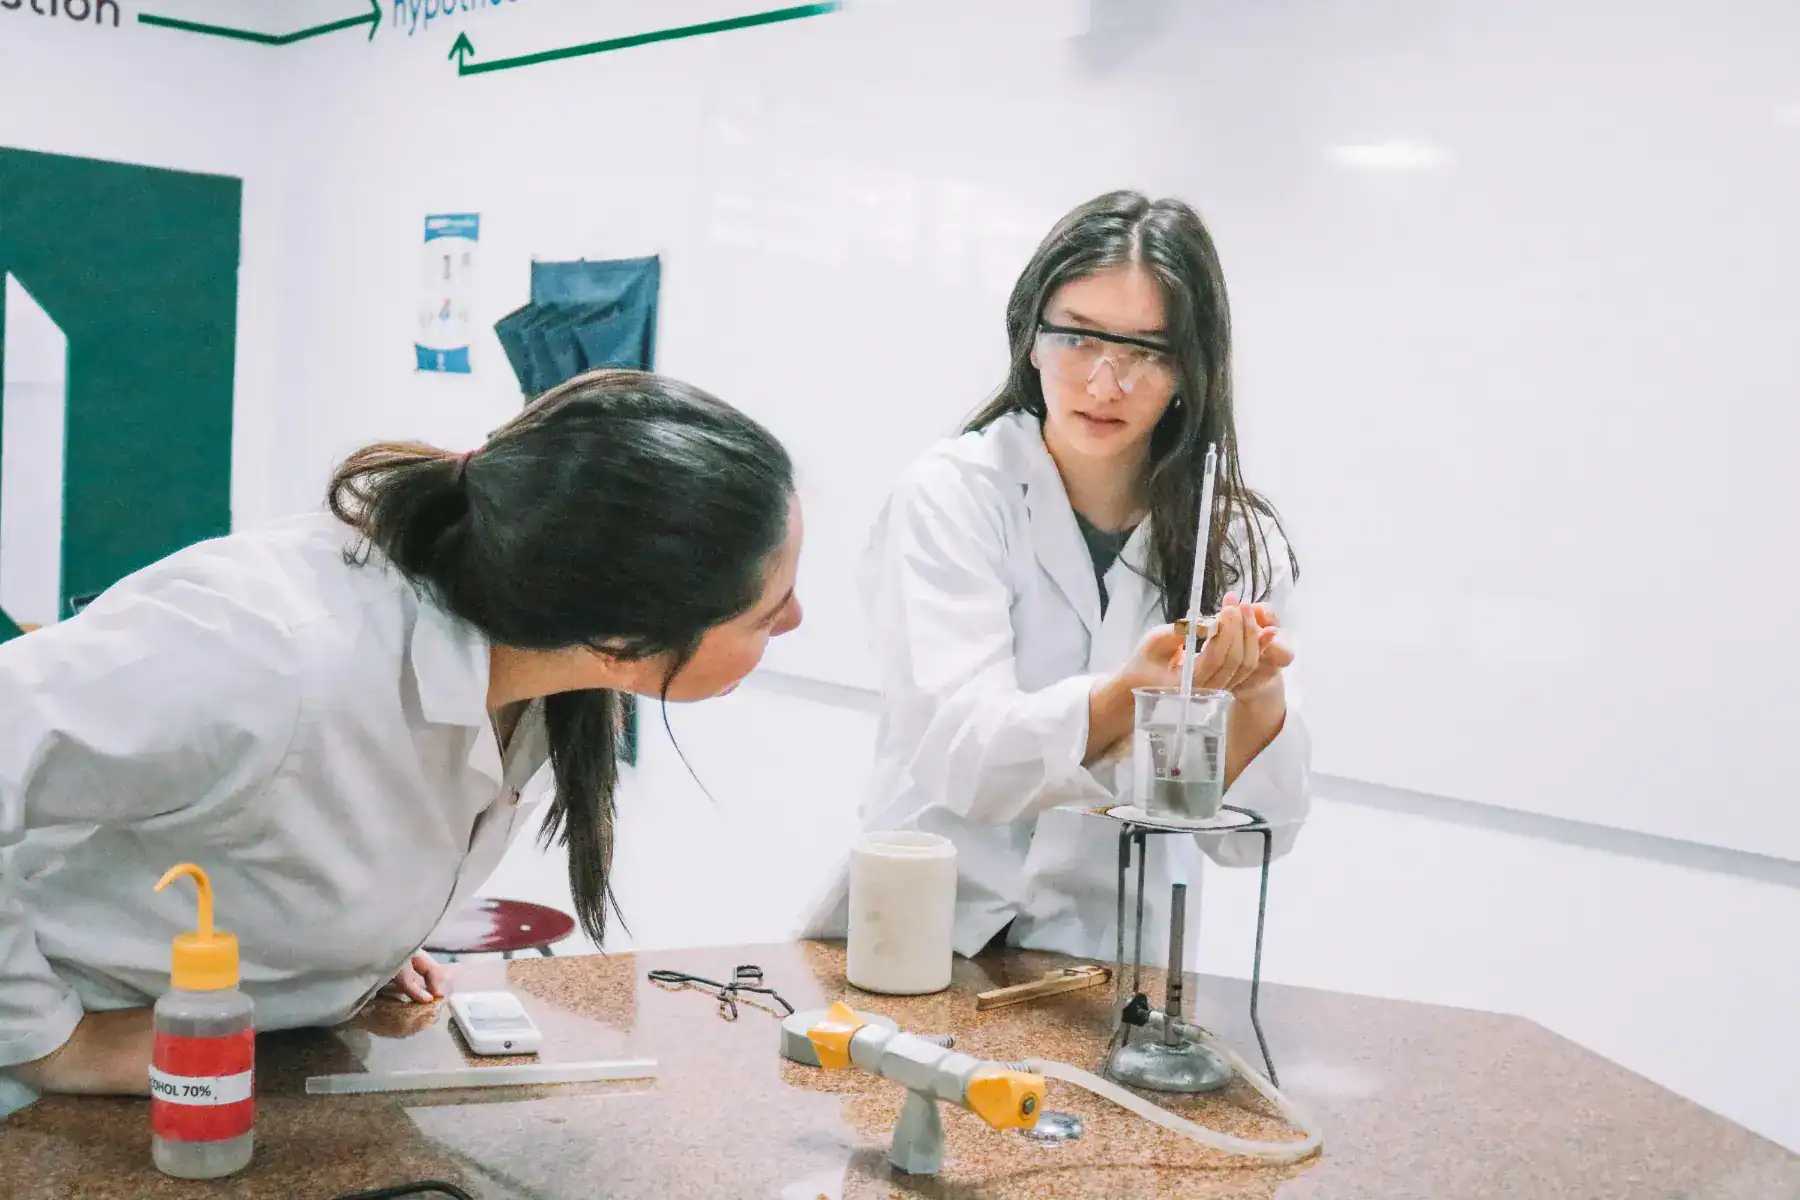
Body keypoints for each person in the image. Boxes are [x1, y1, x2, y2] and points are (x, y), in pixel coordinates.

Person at [0, 369, 803, 1097]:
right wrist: (47, 1037)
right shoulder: (264, 648)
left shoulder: (533, 654)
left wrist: (351, 943)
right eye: (769, 610)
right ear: (622, 640)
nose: (796, 621)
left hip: (242, 1070)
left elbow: (326, 811)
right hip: (49, 1100)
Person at [804, 191, 1308, 964]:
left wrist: (1253, 692)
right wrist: (1123, 699)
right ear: (1030, 339)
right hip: (922, 934)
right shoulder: (956, 493)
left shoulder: (1234, 539)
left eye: (1147, 349)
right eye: (1077, 338)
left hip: (1104, 962)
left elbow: (1254, 842)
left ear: (1190, 370)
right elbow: (963, 760)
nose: (1106, 383)